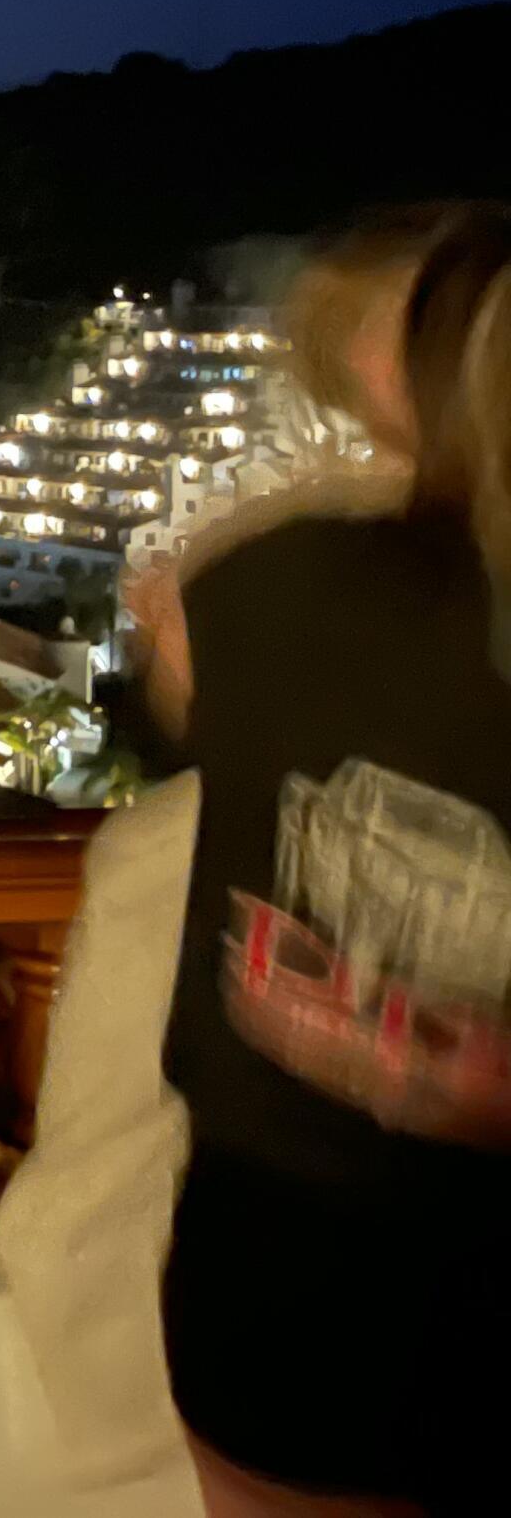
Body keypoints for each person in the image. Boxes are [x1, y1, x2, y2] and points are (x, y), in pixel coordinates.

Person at [129, 203, 511, 1515]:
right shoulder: (289, 580)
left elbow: (180, 709)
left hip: (284, 1243)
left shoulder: (277, 580)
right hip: (311, 1252)